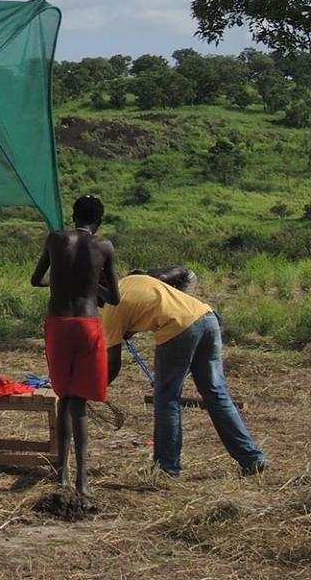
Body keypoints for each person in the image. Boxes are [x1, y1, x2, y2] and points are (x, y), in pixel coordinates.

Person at [104, 273, 267, 477]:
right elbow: (155, 305)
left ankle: (167, 467)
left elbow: (113, 364)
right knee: (216, 394)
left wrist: (94, 390)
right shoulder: (130, 281)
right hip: (207, 317)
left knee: (166, 399)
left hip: (178, 329)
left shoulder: (111, 309)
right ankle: (252, 458)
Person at [30, 194, 119, 496]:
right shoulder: (104, 246)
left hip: (58, 324)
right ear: (99, 220)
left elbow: (36, 279)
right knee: (79, 401)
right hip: (87, 324)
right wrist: (91, 284)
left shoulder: (55, 239)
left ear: (74, 215)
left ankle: (62, 473)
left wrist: (61, 282)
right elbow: (114, 298)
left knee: (64, 397)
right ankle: (82, 479)